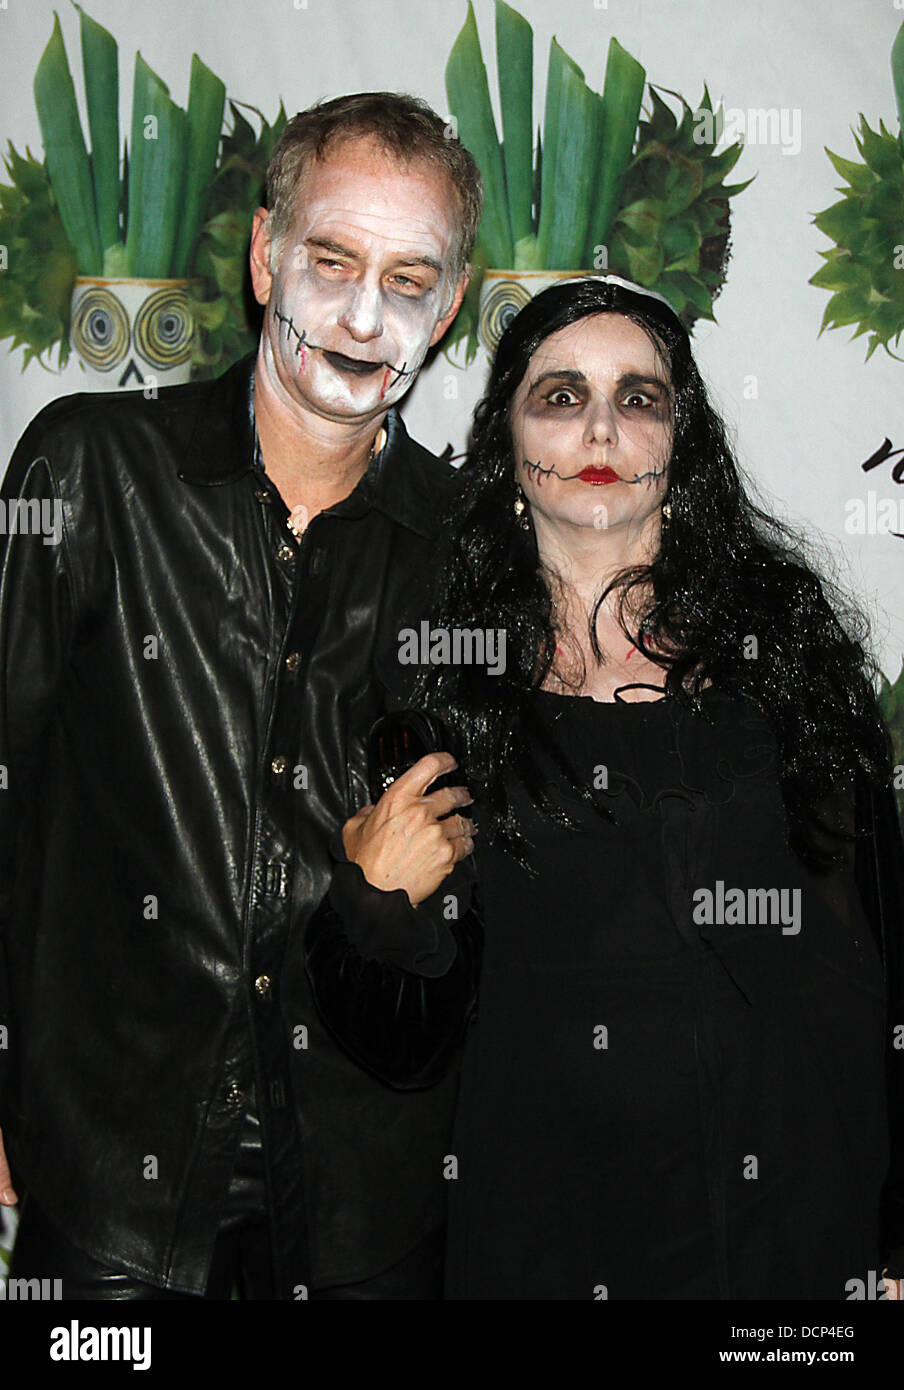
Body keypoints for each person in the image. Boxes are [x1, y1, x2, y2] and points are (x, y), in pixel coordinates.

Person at [304, 275, 904, 1299]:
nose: (598, 426)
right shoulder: (443, 684)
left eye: (638, 397)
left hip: (793, 1219)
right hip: (548, 1223)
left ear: (683, 441)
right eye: (558, 394)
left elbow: (882, 949)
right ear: (506, 444)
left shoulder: (785, 652)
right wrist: (373, 902)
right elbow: (400, 1048)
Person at [0, 91, 480, 1299]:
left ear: (452, 306)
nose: (366, 316)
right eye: (332, 260)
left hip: (365, 1206)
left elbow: (482, 903)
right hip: (109, 1188)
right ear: (266, 256)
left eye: (409, 279)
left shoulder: (473, 553)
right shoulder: (87, 470)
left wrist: (392, 900)